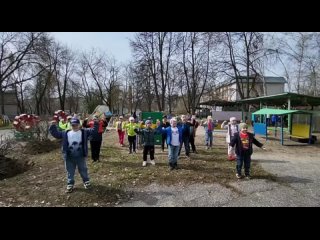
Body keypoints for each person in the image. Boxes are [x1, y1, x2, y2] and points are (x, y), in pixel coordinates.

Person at [49, 118, 98, 193]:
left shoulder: (84, 132)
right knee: (70, 171)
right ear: (70, 125)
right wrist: (53, 126)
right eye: (73, 125)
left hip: (80, 156)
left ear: (79, 125)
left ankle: (86, 181)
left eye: (76, 124)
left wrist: (96, 122)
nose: (74, 126)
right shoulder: (65, 133)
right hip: (69, 157)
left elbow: (94, 131)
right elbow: (56, 134)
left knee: (83, 169)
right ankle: (70, 183)